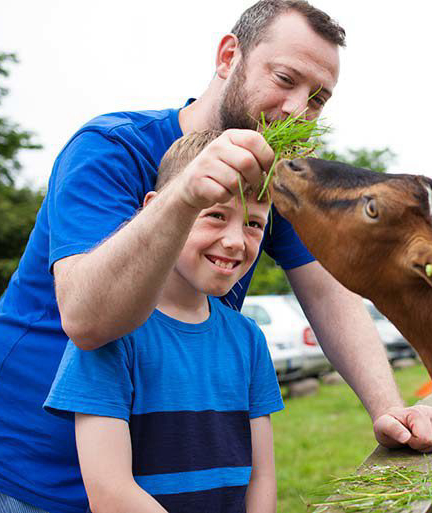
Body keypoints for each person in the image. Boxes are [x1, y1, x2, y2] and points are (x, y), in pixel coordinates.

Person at [0, 2, 432, 512]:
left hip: (160, 481)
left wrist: (388, 408)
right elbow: (87, 319)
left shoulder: (276, 177)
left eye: (318, 99)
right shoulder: (111, 149)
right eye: (285, 78)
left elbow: (326, 291)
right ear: (229, 56)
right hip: (31, 468)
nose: (297, 110)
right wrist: (185, 193)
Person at [44, 130, 281, 513]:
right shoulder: (111, 335)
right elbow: (109, 492)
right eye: (216, 215)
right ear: (157, 209)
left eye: (253, 224)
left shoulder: (248, 338)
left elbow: (261, 477)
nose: (237, 241)